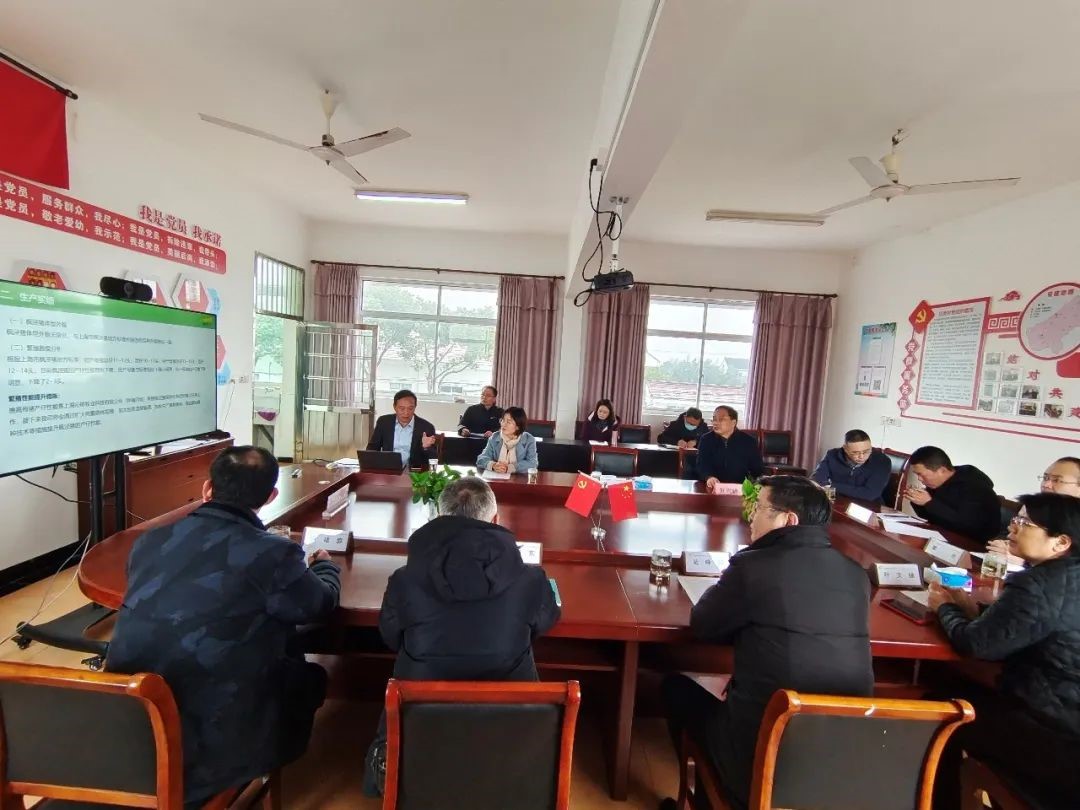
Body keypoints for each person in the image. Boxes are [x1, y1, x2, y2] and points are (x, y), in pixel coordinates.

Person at [106, 447, 341, 806]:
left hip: (129, 720)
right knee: (309, 677)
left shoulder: (150, 541)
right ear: (270, 497)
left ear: (207, 488)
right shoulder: (272, 553)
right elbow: (317, 606)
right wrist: (325, 567)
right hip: (213, 740)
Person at [658, 476, 873, 810]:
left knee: (676, 689)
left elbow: (704, 626)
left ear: (788, 519)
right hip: (840, 765)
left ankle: (708, 801)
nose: (750, 516)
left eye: (758, 508)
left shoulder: (753, 567)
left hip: (762, 762)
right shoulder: (856, 574)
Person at [362, 476, 561, 794]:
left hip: (420, 734)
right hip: (512, 739)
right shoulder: (530, 580)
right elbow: (546, 621)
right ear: (496, 520)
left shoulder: (405, 579)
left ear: (439, 517)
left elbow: (390, 637)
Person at [928, 492, 1080, 808]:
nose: (1012, 526)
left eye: (1025, 522)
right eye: (1016, 518)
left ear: (1061, 542)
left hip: (1053, 735)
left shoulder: (1039, 583)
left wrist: (945, 608)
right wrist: (976, 613)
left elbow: (976, 645)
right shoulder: (1065, 578)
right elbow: (1044, 625)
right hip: (1068, 720)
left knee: (941, 710)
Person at [987, 457, 1080, 563]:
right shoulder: (1033, 507)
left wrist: (1025, 561)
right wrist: (1005, 545)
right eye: (1045, 478)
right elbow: (1007, 534)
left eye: (1056, 480)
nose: (1046, 485)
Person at [904, 445, 1000, 543]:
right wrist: (917, 501)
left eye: (921, 474)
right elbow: (929, 516)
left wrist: (929, 503)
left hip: (972, 543)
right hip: (942, 535)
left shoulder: (974, 486)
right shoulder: (936, 483)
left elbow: (966, 524)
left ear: (942, 470)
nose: (919, 479)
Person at [811, 428, 892, 502]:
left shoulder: (882, 461)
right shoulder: (832, 455)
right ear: (845, 448)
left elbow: (870, 494)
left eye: (866, 451)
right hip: (837, 500)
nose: (861, 456)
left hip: (869, 506)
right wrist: (831, 498)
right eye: (855, 452)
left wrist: (832, 486)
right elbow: (817, 481)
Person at [367, 389, 437, 469]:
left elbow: (433, 459)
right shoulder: (384, 422)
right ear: (394, 407)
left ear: (415, 407)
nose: (406, 413)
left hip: (413, 472)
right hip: (388, 470)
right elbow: (373, 447)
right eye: (402, 408)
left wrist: (426, 447)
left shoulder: (426, 427)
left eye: (410, 408)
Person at [697, 406, 764, 488]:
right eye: (714, 419)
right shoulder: (706, 439)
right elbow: (702, 464)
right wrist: (708, 477)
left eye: (721, 419)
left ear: (733, 423)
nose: (716, 423)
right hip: (712, 486)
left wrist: (758, 483)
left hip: (739, 487)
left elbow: (757, 469)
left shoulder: (748, 441)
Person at [476, 406, 538, 474]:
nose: (503, 424)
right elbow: (481, 459)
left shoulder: (529, 439)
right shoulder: (495, 437)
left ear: (518, 426)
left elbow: (532, 463)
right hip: (497, 476)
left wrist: (509, 468)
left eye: (508, 422)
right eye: (503, 420)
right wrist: (493, 465)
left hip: (519, 477)